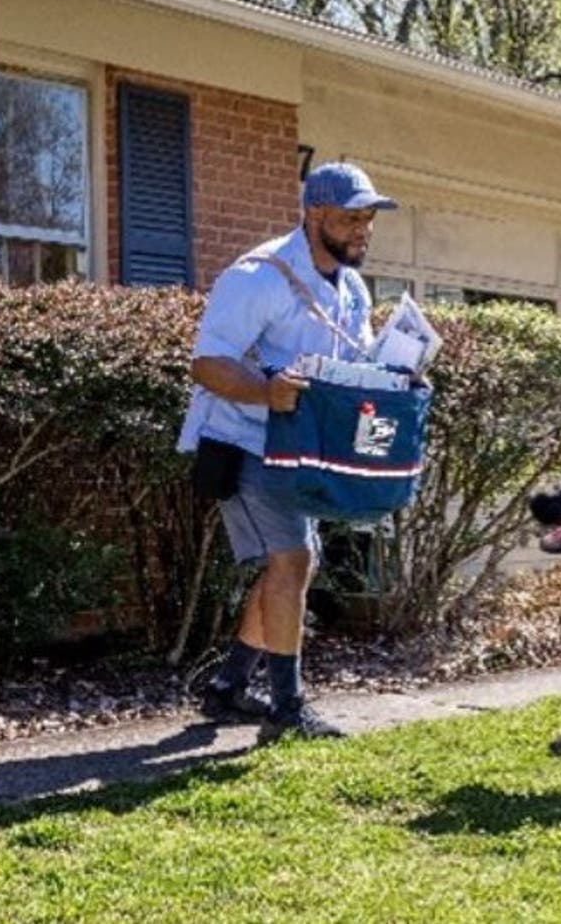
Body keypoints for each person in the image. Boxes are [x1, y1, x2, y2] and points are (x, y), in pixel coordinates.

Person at [176, 162, 397, 738]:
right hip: (242, 439)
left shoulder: (351, 288)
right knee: (293, 561)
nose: (363, 230)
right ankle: (287, 709)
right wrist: (266, 393)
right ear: (314, 213)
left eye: (369, 219)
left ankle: (228, 688)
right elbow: (207, 363)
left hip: (298, 449)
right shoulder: (258, 276)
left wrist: (401, 374)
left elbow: (357, 366)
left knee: (294, 563)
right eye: (352, 218)